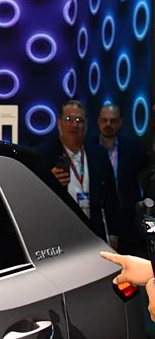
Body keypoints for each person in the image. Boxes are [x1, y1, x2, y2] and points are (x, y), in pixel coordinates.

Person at [42, 100, 120, 246]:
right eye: (68, 119)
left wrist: (114, 232)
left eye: (79, 120)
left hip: (93, 235)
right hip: (58, 235)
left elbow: (111, 198)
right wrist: (48, 181)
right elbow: (34, 200)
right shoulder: (44, 155)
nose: (74, 125)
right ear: (59, 122)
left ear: (86, 124)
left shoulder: (98, 155)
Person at [97, 103, 150, 255]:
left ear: (120, 122)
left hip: (130, 216)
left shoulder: (134, 147)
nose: (108, 124)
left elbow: (146, 176)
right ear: (98, 121)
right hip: (101, 215)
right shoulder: (89, 147)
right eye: (104, 120)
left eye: (113, 121)